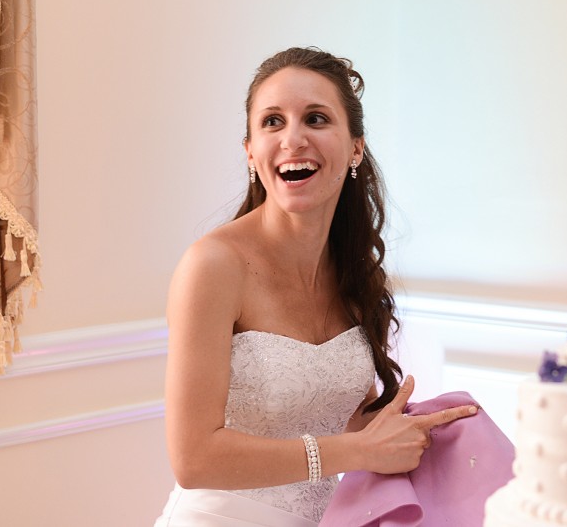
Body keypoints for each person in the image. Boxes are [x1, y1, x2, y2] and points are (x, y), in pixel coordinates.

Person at [155, 47, 477, 527]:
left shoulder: (355, 273)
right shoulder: (213, 266)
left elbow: (340, 418)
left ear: (355, 149)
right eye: (272, 122)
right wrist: (355, 450)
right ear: (250, 151)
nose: (293, 139)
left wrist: (412, 432)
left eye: (316, 118)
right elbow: (194, 459)